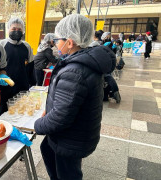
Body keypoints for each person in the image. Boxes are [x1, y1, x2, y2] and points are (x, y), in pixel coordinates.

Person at [34, 14, 116, 180]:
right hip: (77, 133)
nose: (55, 44)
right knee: (49, 151)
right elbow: (69, 103)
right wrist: (50, 109)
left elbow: (61, 117)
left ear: (69, 42)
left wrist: (36, 125)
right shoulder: (84, 62)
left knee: (68, 174)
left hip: (70, 139)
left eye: (57, 40)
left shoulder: (75, 71)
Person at [0, 17, 35, 114]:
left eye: (19, 29)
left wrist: (33, 85)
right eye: (13, 29)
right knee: (4, 114)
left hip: (22, 88)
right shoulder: (1, 45)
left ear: (23, 31)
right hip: (5, 88)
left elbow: (31, 68)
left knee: (22, 114)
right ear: (8, 29)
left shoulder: (26, 46)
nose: (16, 31)